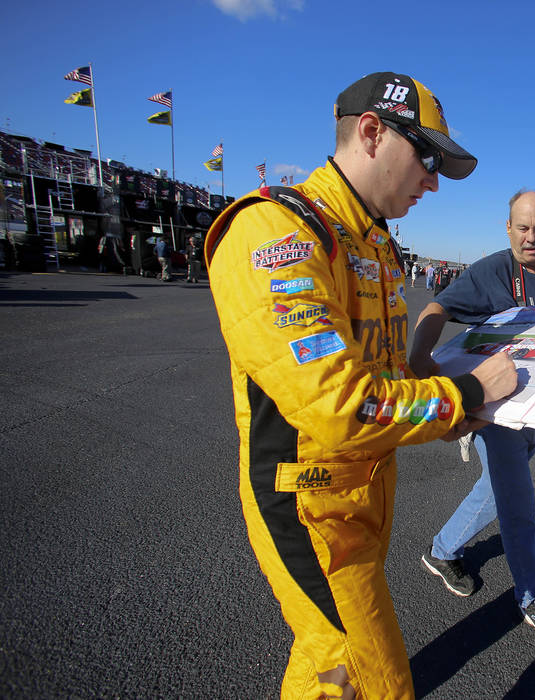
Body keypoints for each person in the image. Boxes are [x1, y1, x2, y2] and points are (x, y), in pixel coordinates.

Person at [203, 71, 518, 699]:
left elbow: (387, 379)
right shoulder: (276, 232)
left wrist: (455, 404)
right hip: (308, 506)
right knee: (371, 675)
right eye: (426, 157)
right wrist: (468, 394)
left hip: (363, 498)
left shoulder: (374, 243)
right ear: (371, 132)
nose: (432, 179)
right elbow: (338, 404)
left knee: (329, 671)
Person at [409, 189, 535, 648]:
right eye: (523, 228)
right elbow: (436, 309)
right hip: (495, 412)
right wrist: (419, 364)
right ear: (508, 227)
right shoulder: (490, 271)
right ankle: (533, 595)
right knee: (518, 502)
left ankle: (443, 549)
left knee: (495, 490)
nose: (532, 238)